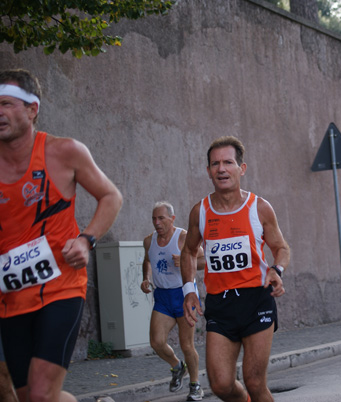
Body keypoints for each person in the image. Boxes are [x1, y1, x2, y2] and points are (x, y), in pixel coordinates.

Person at [0, 69, 123, 401]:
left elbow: (111, 196)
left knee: (40, 394)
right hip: (11, 298)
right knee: (33, 398)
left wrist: (87, 239)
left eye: (7, 104)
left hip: (61, 288)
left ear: (32, 109)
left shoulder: (64, 152)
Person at [180, 136, 291, 402]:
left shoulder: (259, 208)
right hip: (220, 303)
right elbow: (188, 251)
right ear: (208, 171)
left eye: (228, 162)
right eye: (215, 164)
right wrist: (189, 290)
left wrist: (277, 270)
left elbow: (282, 248)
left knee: (254, 381)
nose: (221, 169)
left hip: (256, 300)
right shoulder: (201, 212)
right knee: (220, 385)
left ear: (241, 168)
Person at [141, 201, 204, 401]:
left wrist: (187, 261)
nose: (157, 223)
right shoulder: (149, 241)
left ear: (172, 218)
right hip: (163, 296)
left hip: (184, 295)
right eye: (154, 219)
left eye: (161, 218)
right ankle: (178, 367)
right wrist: (146, 278)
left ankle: (195, 385)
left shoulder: (183, 237)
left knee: (187, 345)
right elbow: (148, 260)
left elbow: (204, 260)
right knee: (156, 342)